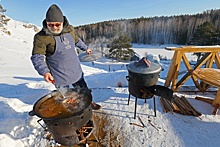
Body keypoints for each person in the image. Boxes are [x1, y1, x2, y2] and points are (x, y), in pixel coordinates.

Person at [30, 4, 101, 110]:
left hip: (74, 69)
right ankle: (73, 111)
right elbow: (37, 56)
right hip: (58, 73)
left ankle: (89, 102)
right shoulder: (41, 37)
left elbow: (76, 40)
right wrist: (44, 71)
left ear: (63, 22)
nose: (54, 27)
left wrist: (85, 48)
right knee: (67, 96)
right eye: (51, 25)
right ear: (46, 23)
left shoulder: (70, 30)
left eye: (57, 24)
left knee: (83, 89)